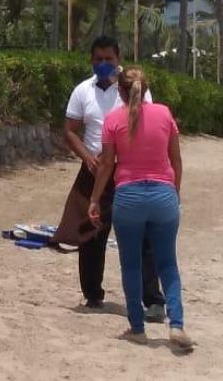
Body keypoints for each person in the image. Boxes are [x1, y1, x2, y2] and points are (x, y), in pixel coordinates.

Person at [52, 36, 166, 321]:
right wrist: (86, 157)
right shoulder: (82, 91)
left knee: (141, 237)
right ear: (91, 60)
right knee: (91, 235)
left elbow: (147, 124)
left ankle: (153, 300)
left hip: (129, 172)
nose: (103, 64)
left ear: (118, 59)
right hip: (93, 170)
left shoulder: (134, 90)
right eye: (98, 59)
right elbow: (69, 131)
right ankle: (92, 293)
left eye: (108, 59)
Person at [88, 67, 192, 349]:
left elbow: (107, 164)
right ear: (145, 89)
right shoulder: (164, 113)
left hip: (128, 197)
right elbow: (176, 159)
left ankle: (137, 327)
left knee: (130, 264)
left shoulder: (112, 120)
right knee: (167, 263)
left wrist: (95, 199)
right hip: (163, 195)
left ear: (120, 91)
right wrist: (175, 191)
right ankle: (177, 325)